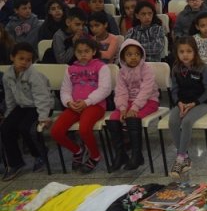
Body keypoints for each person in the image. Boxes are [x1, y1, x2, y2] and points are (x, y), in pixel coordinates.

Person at [50, 36, 112, 173]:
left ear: (94, 51)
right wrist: (68, 102)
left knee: (84, 129)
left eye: (86, 51)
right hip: (75, 106)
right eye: (79, 51)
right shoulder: (70, 69)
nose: (83, 54)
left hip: (95, 105)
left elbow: (105, 89)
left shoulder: (101, 67)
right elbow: (65, 90)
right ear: (75, 52)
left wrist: (87, 101)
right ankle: (78, 151)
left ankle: (95, 156)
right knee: (56, 131)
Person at [104, 39, 159, 171]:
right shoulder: (121, 72)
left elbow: (146, 90)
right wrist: (122, 108)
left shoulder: (147, 69)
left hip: (149, 101)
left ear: (141, 55)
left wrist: (135, 107)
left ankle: (137, 155)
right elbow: (120, 92)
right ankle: (121, 154)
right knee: (113, 118)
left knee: (132, 117)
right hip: (128, 102)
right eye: (129, 54)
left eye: (137, 54)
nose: (133, 57)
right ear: (123, 57)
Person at [1, 42, 53, 179]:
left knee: (26, 128)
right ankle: (15, 163)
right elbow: (10, 98)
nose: (24, 62)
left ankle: (39, 155)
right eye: (21, 58)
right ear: (12, 57)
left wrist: (43, 117)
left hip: (40, 106)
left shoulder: (33, 75)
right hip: (22, 106)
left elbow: (42, 97)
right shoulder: (7, 76)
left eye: (28, 60)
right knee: (6, 128)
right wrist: (9, 115)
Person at [167, 36, 207, 178]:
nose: (185, 55)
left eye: (189, 51)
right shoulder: (176, 69)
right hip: (182, 103)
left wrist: (194, 103)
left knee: (187, 122)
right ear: (177, 53)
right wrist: (179, 103)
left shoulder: (202, 68)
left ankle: (180, 158)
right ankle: (185, 158)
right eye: (181, 52)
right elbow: (174, 90)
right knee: (173, 121)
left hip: (201, 103)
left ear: (195, 52)